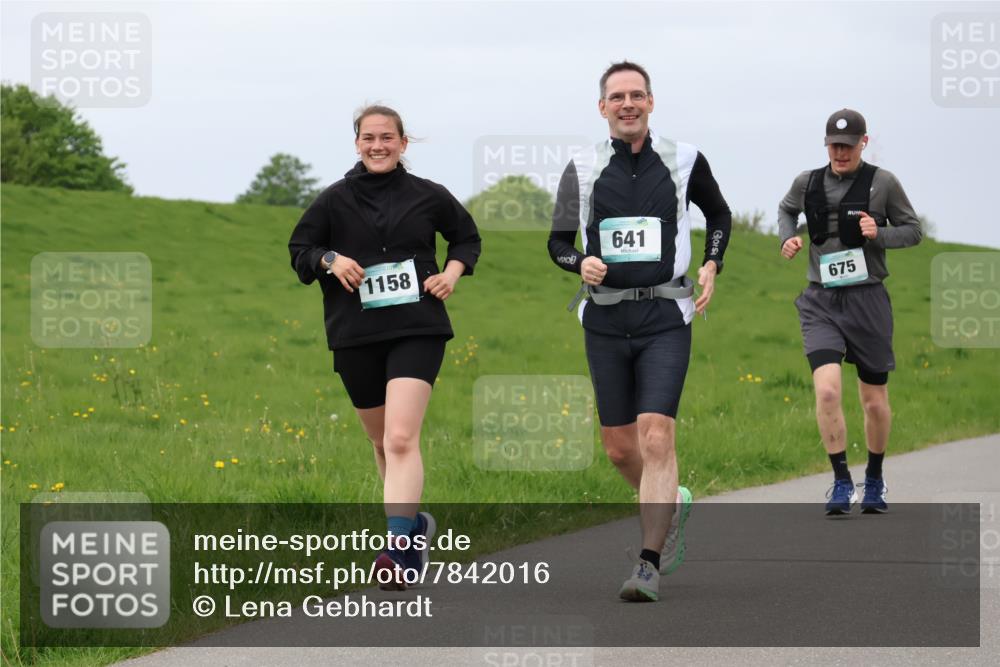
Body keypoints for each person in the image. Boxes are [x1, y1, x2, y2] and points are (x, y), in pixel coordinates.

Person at [548, 61, 732, 602]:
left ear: (651, 102)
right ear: (602, 108)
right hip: (604, 319)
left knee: (656, 433)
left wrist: (711, 263)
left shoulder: (684, 158)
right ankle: (671, 501)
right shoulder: (581, 167)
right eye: (616, 97)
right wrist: (578, 262)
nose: (627, 104)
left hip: (665, 317)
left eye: (636, 95)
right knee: (619, 449)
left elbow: (718, 215)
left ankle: (648, 562)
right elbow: (557, 241)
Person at [289, 105, 481, 588]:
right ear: (357, 143)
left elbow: (465, 238)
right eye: (369, 138)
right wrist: (330, 259)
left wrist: (451, 274)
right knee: (380, 441)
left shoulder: (428, 195)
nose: (378, 145)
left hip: (417, 326)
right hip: (355, 334)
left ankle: (398, 548)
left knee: (399, 438)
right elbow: (300, 251)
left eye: (387, 137)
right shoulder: (333, 200)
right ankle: (414, 527)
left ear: (402, 143)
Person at [777, 108, 922, 515]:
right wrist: (789, 239)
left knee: (874, 400)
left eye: (847, 145)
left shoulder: (883, 184)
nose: (839, 153)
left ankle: (874, 478)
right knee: (826, 389)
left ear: (864, 142)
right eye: (833, 146)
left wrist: (881, 233)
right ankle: (842, 482)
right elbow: (786, 210)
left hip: (868, 300)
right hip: (821, 301)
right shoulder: (807, 182)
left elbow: (913, 231)